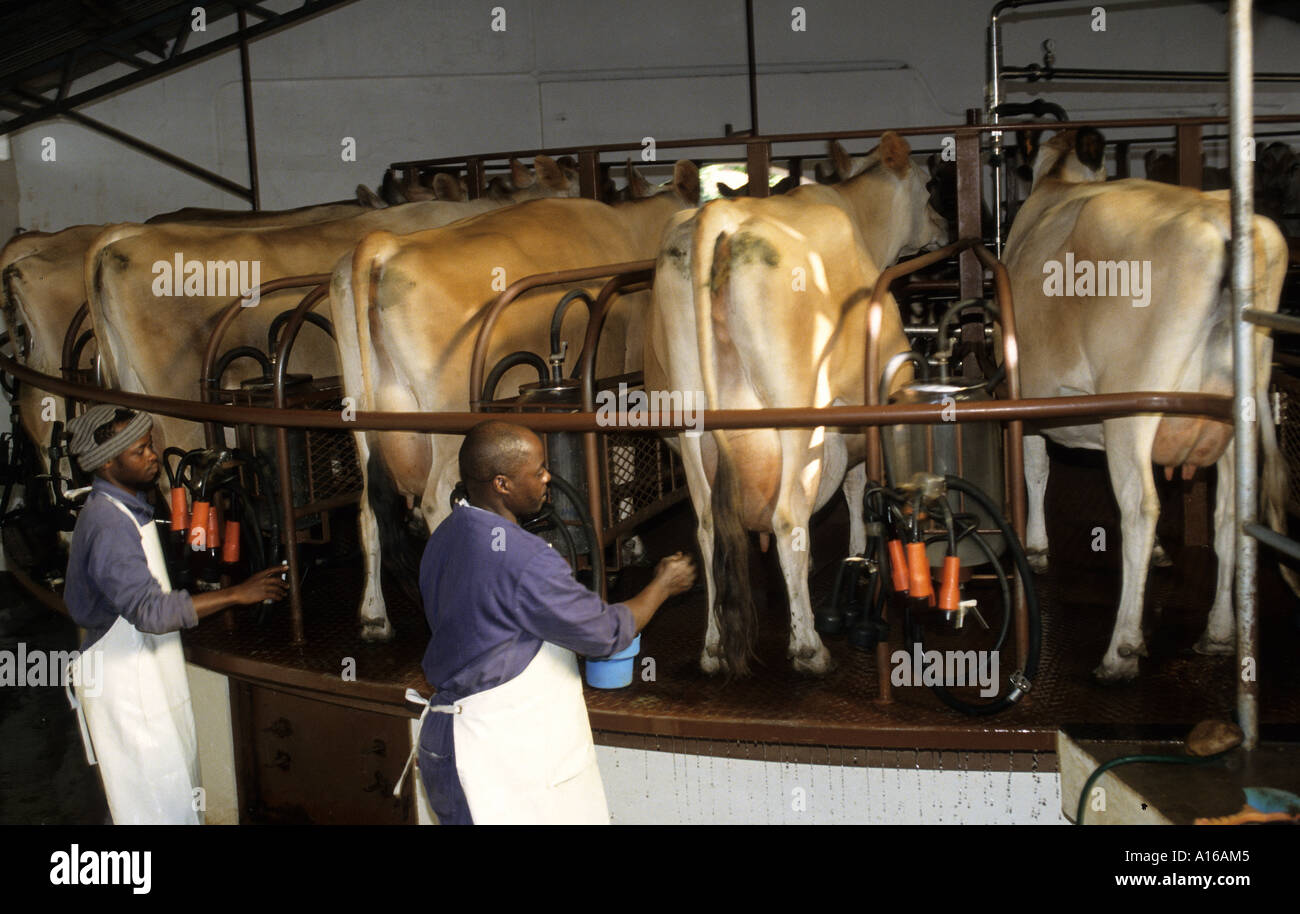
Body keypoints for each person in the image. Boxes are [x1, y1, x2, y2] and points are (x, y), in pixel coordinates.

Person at [413, 420, 696, 824]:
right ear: (502, 484)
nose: (548, 477)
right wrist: (662, 586)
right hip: (498, 765)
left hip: (449, 746)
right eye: (538, 469)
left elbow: (486, 615)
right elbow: (605, 633)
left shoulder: (445, 535)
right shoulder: (525, 558)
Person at [62, 404, 288, 824]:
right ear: (107, 462)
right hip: (127, 690)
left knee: (166, 801)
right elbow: (150, 612)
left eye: (150, 446)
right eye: (139, 451)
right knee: (150, 808)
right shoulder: (110, 525)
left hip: (147, 681)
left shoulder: (125, 508)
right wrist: (238, 594)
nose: (152, 457)